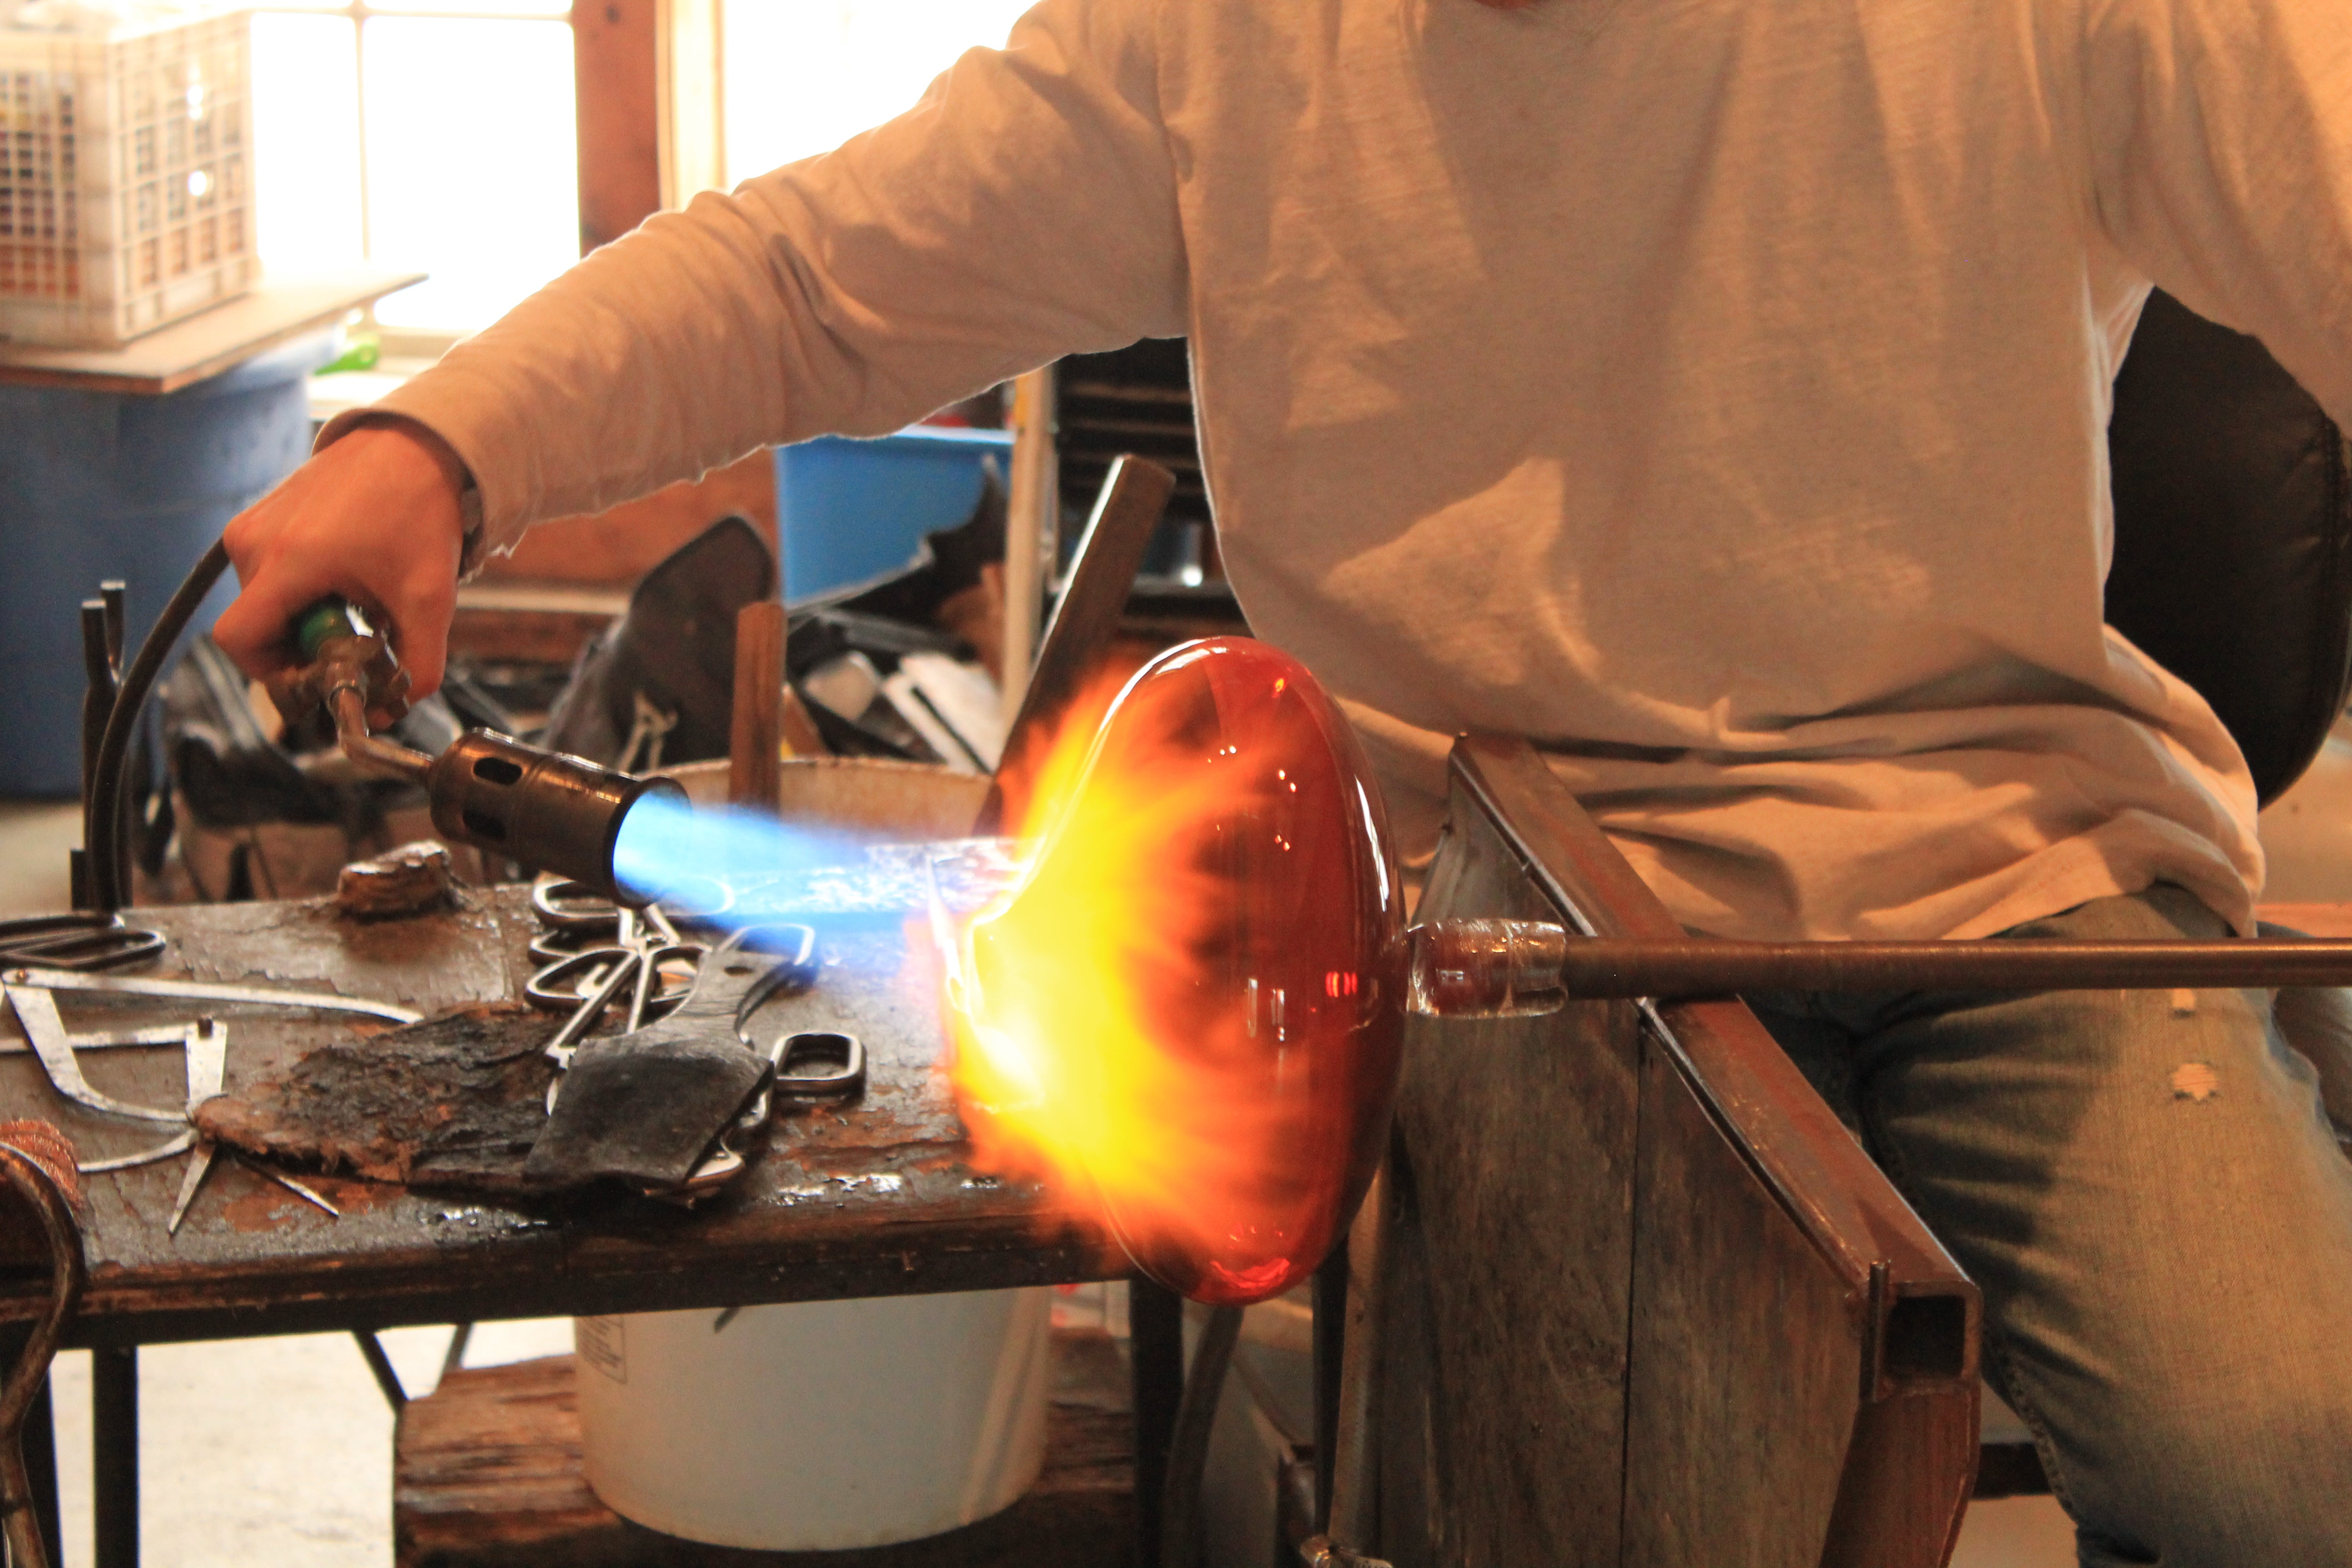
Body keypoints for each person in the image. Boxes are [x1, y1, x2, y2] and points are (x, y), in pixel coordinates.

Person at [215, 0, 2352, 1559]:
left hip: (2009, 864)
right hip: (1492, 912)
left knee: (2283, 1450)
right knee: (1616, 1509)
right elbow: (815, 272)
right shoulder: (1226, 39)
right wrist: (444, 443)